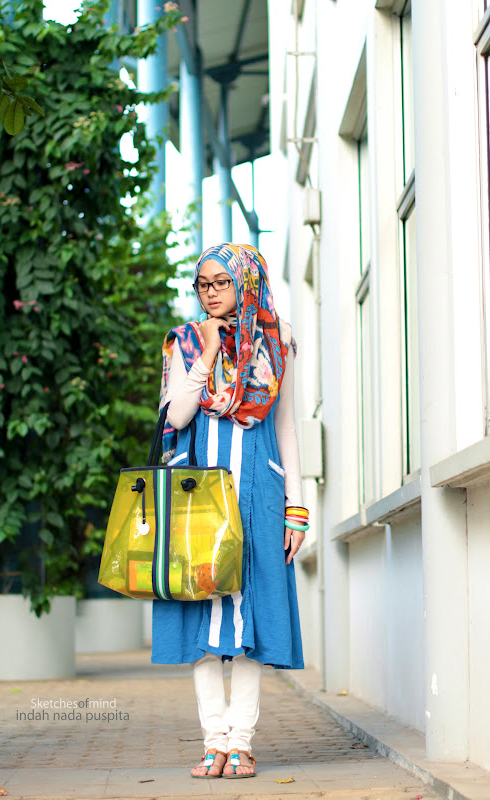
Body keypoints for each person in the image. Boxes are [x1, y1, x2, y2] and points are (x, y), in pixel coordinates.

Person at [154, 243, 307, 779]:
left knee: (250, 620)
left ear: (246, 281)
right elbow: (177, 415)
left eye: (222, 282)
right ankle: (212, 742)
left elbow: (285, 425)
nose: (212, 292)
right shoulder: (184, 340)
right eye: (204, 284)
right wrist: (210, 352)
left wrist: (296, 506)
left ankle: (240, 743)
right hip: (196, 501)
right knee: (202, 619)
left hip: (258, 496)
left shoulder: (277, 341)